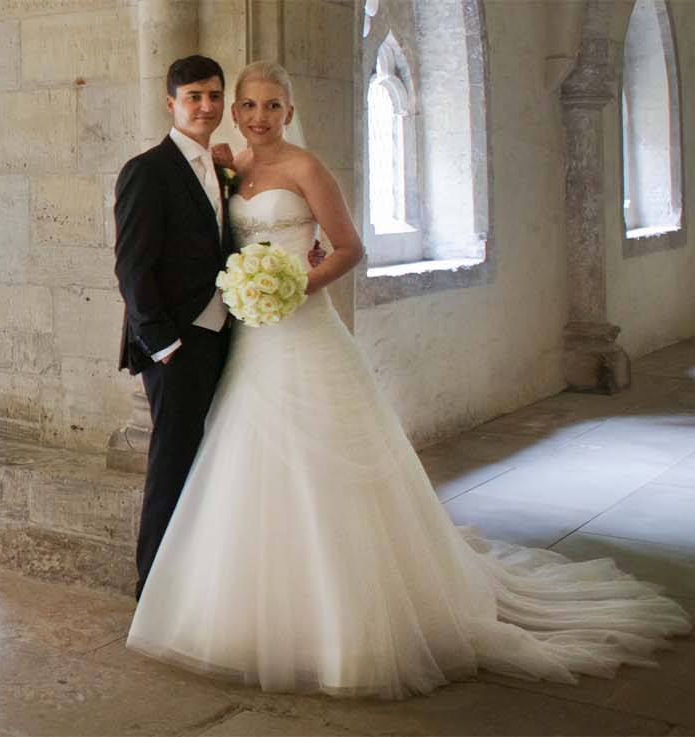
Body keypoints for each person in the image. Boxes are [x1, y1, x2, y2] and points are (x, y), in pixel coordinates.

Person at [125, 61, 690, 699]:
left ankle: (347, 616)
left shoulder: (307, 169)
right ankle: (237, 596)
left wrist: (293, 284)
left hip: (302, 328)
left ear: (289, 109)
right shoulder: (226, 169)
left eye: (271, 105)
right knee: (243, 458)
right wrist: (243, 300)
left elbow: (349, 248)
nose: (257, 116)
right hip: (249, 339)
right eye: (247, 105)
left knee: (326, 465)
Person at [112, 55, 234, 598]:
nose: (205, 107)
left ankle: (198, 575)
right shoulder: (148, 169)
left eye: (213, 96)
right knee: (172, 460)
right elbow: (132, 265)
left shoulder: (221, 168)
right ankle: (153, 588)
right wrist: (162, 344)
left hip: (222, 335)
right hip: (176, 346)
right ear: (172, 104)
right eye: (193, 97)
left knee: (209, 457)